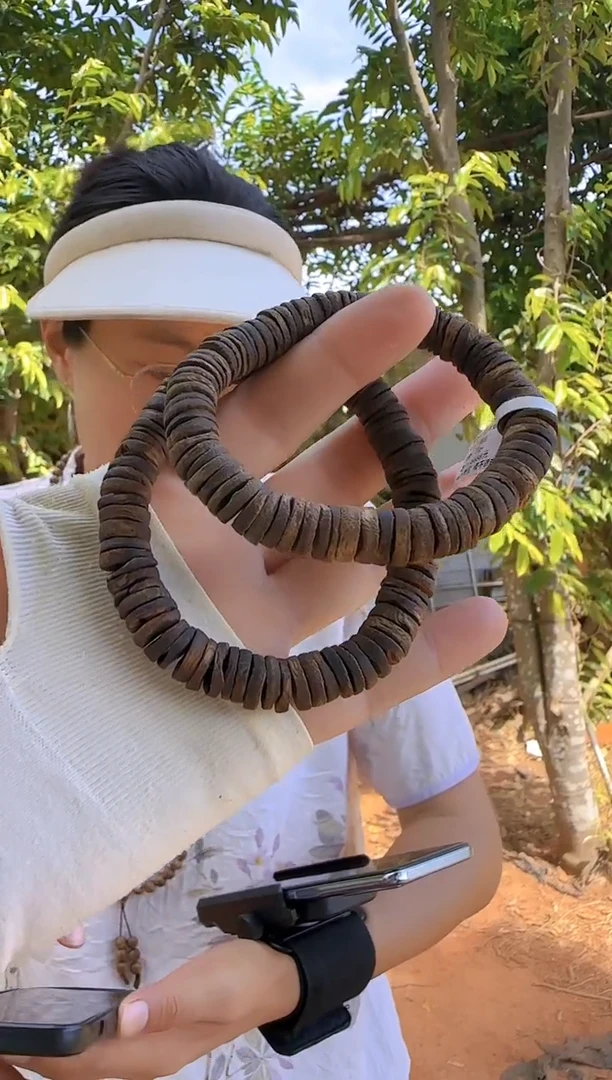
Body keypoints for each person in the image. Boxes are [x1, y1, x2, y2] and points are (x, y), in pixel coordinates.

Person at [0, 143, 505, 1080]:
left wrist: (293, 975)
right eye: (166, 375)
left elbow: (460, 840)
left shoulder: (349, 575)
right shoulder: (6, 571)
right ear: (60, 351)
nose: (210, 426)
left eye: (252, 376)